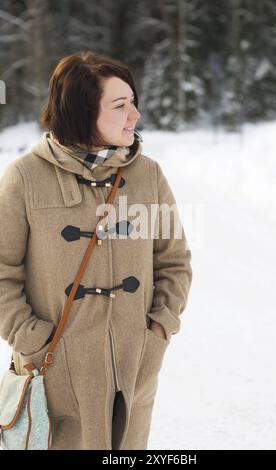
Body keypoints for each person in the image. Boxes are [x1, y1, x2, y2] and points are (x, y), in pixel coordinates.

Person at [0, 51, 193, 450]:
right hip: (55, 369)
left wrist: (159, 326)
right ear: (81, 111)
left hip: (134, 366)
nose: (134, 115)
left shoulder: (148, 174)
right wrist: (32, 337)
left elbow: (174, 261)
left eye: (133, 102)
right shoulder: (24, 178)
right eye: (120, 105)